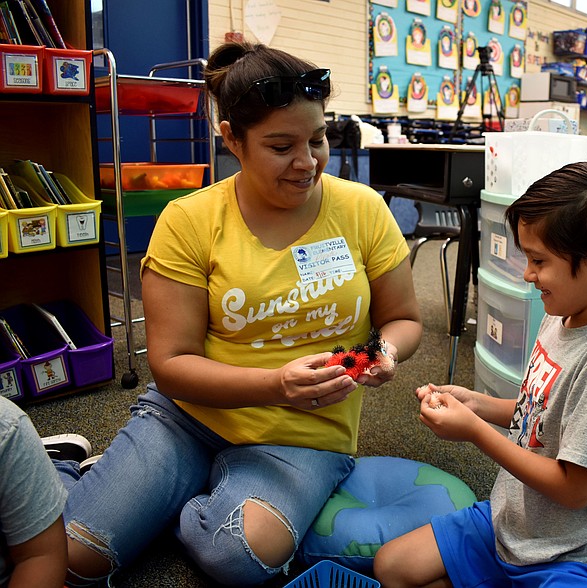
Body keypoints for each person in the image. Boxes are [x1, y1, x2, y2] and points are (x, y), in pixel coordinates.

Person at [56, 41, 422, 587]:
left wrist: (383, 351)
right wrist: (276, 383)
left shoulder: (362, 209)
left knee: (240, 557)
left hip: (306, 435)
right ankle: (68, 468)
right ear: (232, 139)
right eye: (281, 146)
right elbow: (171, 364)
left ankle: (161, 496)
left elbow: (404, 319)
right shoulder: (189, 220)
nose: (307, 162)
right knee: (74, 560)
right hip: (190, 418)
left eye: (317, 139)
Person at [374, 162, 587, 587]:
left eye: (539, 260)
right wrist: (477, 404)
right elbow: (542, 415)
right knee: (391, 566)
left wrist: (475, 431)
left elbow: (574, 490)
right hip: (511, 524)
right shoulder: (561, 316)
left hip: (576, 553)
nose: (527, 273)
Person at [0, 396, 91, 588]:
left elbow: (41, 555)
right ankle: (49, 465)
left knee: (83, 557)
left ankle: (55, 463)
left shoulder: (6, 426)